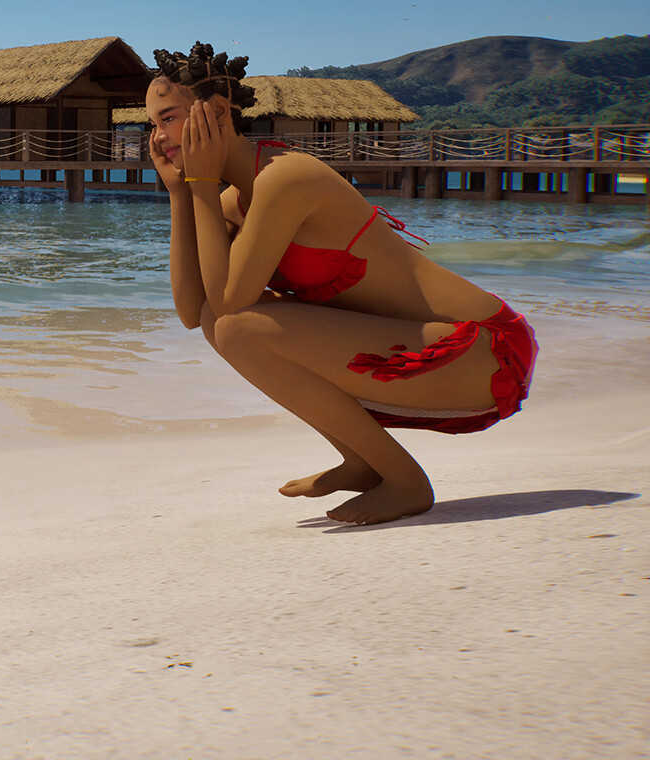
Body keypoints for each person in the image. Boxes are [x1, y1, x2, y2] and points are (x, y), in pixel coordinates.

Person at [145, 44, 537, 525]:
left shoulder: (285, 178)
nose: (157, 136)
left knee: (236, 327)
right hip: (424, 350)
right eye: (152, 124)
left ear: (219, 112)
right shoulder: (233, 200)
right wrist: (181, 197)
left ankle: (405, 481)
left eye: (168, 118)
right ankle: (363, 462)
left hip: (485, 349)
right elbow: (192, 311)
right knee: (216, 323)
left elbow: (231, 303)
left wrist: (201, 185)